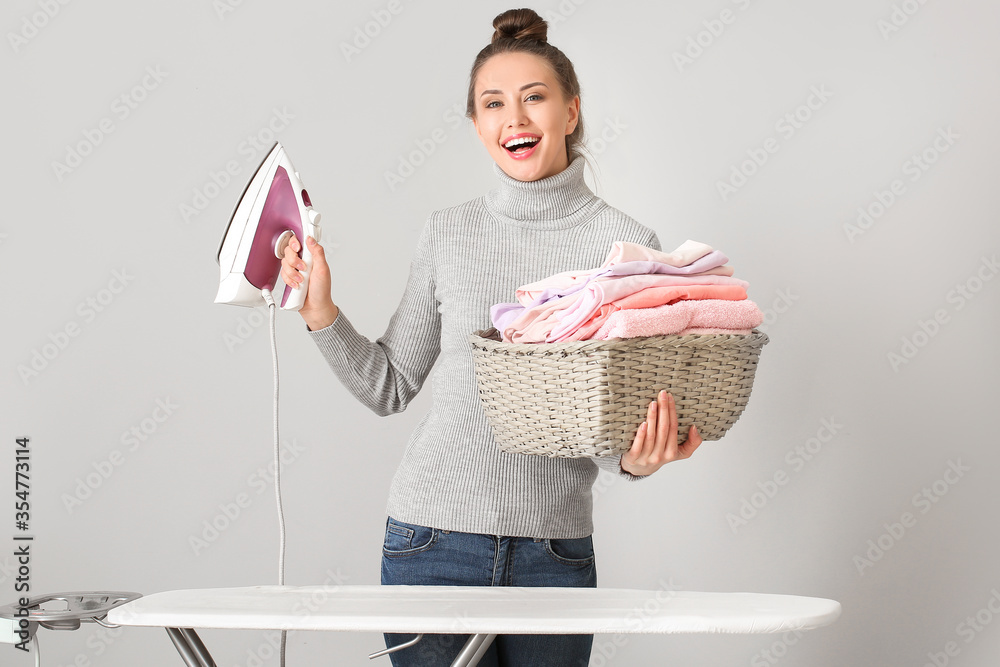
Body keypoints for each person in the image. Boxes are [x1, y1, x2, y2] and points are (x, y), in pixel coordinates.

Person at [280, 8, 703, 666]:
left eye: (534, 98)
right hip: (430, 545)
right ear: (477, 125)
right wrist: (321, 312)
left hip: (553, 552)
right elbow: (389, 385)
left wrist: (636, 459)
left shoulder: (626, 246)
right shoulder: (448, 233)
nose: (516, 118)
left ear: (571, 110)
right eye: (493, 104)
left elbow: (615, 423)